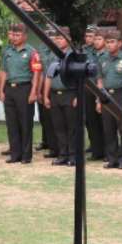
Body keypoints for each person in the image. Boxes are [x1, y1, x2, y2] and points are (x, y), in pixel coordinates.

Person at [0, 22, 42, 164]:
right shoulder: (7, 51)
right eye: (14, 35)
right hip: (10, 89)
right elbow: (3, 71)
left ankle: (26, 155)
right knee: (12, 123)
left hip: (25, 89)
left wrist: (34, 92)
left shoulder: (32, 52)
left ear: (25, 36)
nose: (15, 38)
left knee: (25, 122)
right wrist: (0, 89)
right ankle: (15, 154)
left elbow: (36, 73)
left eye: (18, 35)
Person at [96, 29, 122, 169]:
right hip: (106, 95)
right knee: (108, 129)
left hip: (121, 95)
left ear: (119, 43)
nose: (109, 45)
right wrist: (98, 99)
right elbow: (99, 80)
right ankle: (112, 158)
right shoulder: (102, 59)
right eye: (107, 42)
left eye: (112, 42)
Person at [43, 28, 78, 166]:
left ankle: (73, 155)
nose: (58, 41)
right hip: (55, 94)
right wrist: (46, 96)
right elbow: (48, 76)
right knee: (58, 127)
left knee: (72, 128)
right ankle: (62, 155)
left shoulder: (73, 56)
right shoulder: (52, 56)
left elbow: (79, 79)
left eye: (61, 38)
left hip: (70, 94)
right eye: (56, 38)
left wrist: (77, 96)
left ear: (68, 40)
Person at [80, 26, 105, 161]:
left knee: (104, 122)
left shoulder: (104, 53)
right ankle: (96, 149)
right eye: (89, 37)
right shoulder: (85, 51)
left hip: (101, 88)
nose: (93, 40)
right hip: (89, 88)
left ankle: (106, 150)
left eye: (95, 38)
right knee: (91, 121)